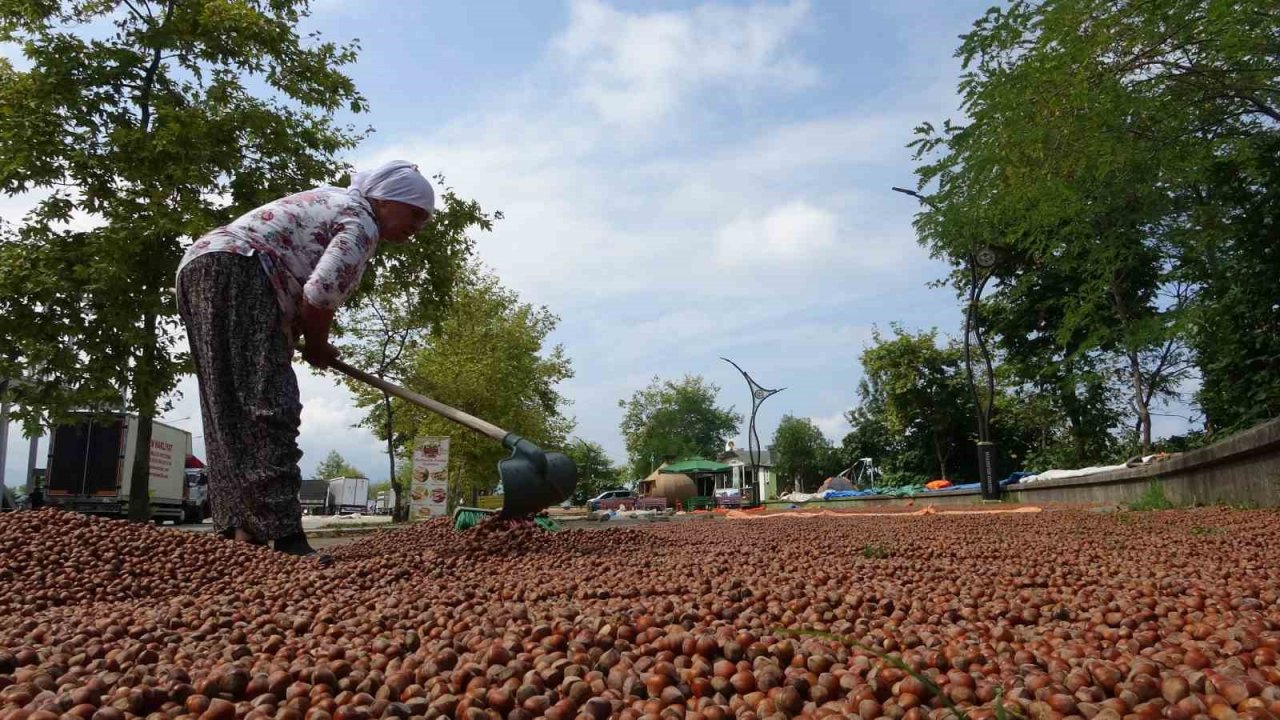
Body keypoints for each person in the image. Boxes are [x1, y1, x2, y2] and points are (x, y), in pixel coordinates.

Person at [175, 160, 434, 558]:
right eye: (414, 214)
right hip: (240, 268)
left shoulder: (334, 201)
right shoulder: (361, 222)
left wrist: (294, 334)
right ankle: (287, 539)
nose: (417, 227)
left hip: (202, 266)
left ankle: (241, 534)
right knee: (270, 406)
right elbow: (321, 292)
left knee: (228, 411)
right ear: (384, 201)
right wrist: (317, 344)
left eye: (424, 221)